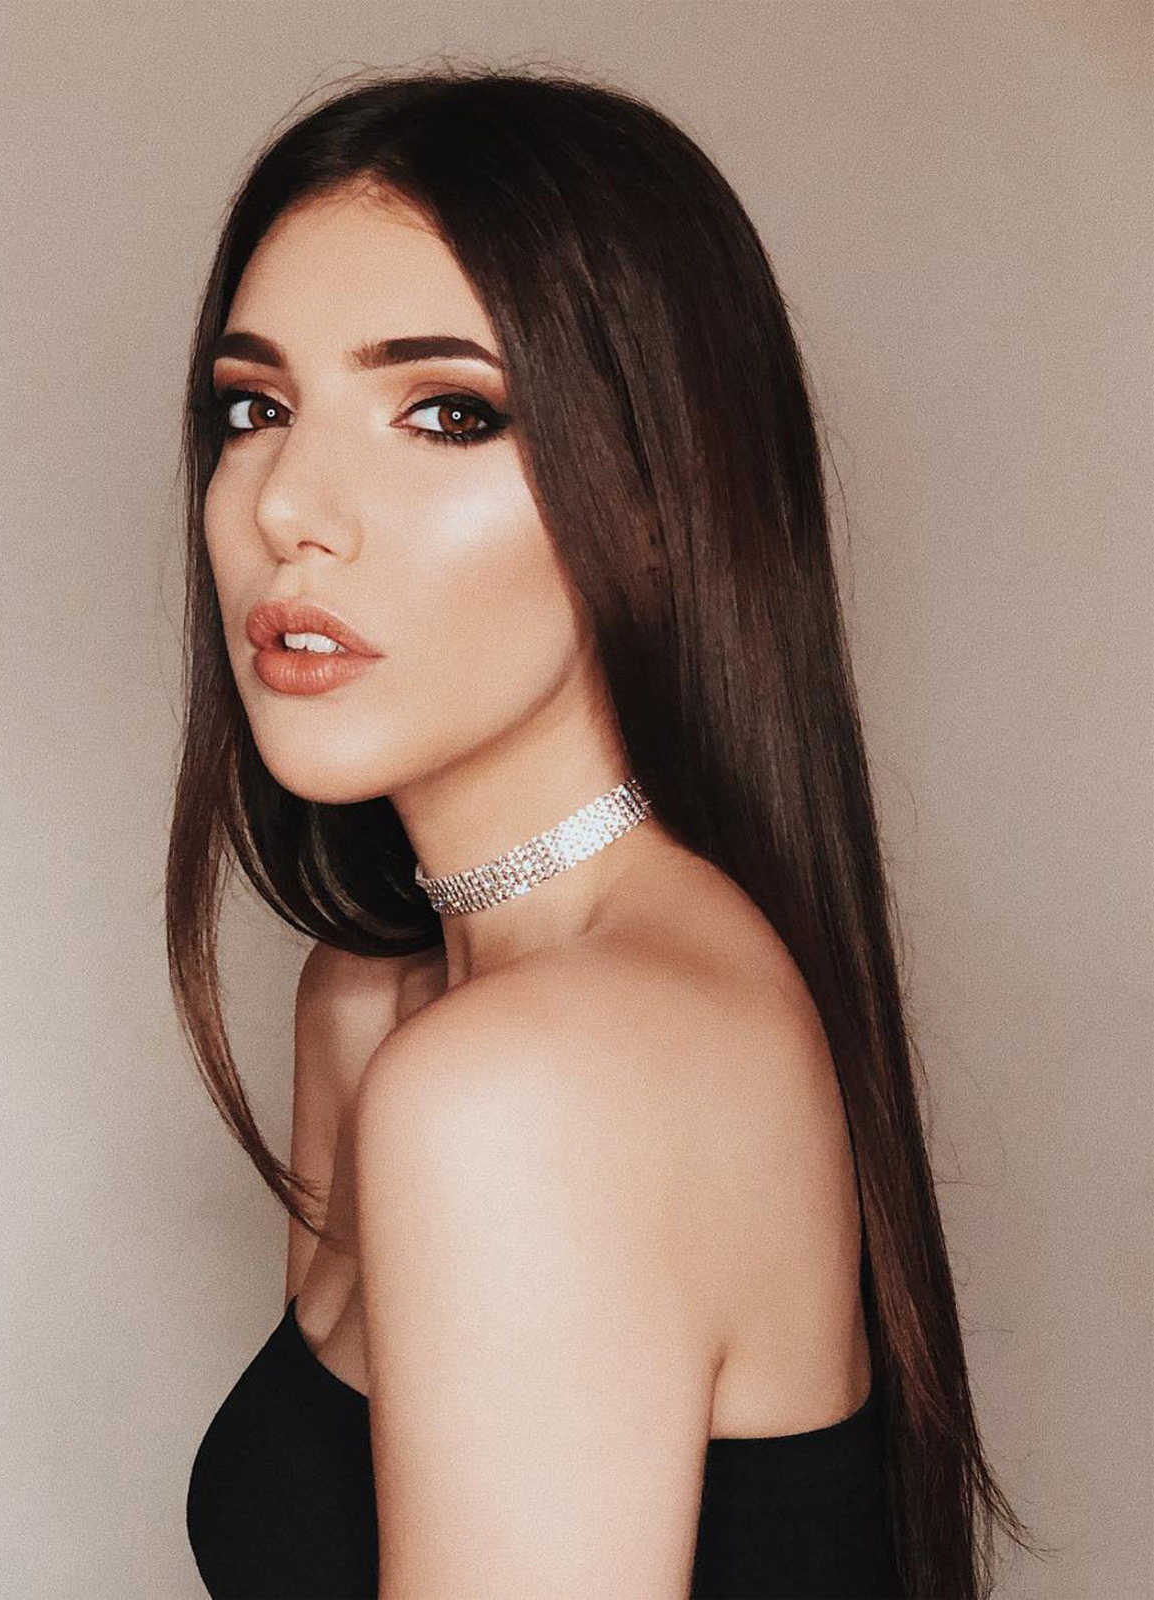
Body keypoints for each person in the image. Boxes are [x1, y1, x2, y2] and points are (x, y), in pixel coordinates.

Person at [173, 64, 1034, 1599]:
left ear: (653, 497)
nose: (289, 506)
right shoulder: (375, 1008)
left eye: (446, 413)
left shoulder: (530, 1083)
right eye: (257, 407)